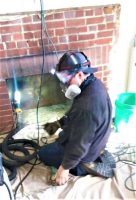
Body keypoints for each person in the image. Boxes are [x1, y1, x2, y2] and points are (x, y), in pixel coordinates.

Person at [38, 51, 115, 186]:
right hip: (96, 140)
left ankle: (83, 166)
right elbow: (76, 113)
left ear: (80, 74)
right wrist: (58, 124)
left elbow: (79, 145)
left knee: (42, 153)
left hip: (84, 153)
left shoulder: (86, 107)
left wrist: (64, 169)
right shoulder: (94, 85)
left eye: (66, 79)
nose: (65, 83)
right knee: (60, 139)